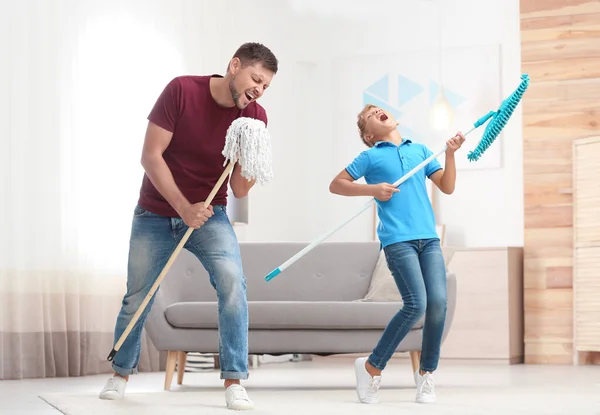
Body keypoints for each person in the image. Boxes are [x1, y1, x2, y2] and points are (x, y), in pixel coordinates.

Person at [98, 42, 278, 411]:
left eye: (266, 87)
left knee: (232, 284)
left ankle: (234, 380)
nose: (259, 91)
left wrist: (256, 154)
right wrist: (183, 207)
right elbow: (150, 156)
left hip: (211, 216)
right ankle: (119, 374)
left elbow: (240, 187)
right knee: (138, 295)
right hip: (155, 213)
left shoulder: (255, 116)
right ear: (234, 66)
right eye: (256, 79)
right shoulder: (182, 90)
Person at [329, 104, 464, 405]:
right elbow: (337, 184)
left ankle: (426, 375)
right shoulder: (370, 156)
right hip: (397, 242)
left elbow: (447, 186)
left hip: (429, 239)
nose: (377, 111)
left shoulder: (420, 152)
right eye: (369, 114)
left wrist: (450, 154)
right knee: (416, 305)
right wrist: (374, 189)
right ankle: (371, 368)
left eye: (379, 108)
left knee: (438, 303)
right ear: (368, 134)